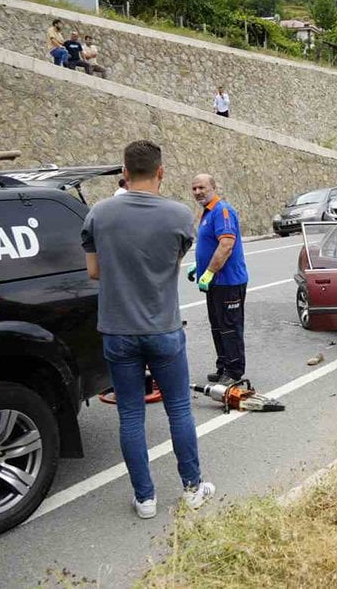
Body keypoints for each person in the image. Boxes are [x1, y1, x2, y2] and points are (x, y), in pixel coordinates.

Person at [81, 140, 216, 518]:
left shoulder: (99, 214)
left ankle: (144, 499)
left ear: (124, 172)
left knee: (130, 415)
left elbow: (94, 272)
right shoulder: (178, 215)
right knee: (178, 410)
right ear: (161, 172)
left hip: (117, 330)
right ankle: (191, 488)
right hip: (163, 328)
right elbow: (170, 262)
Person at [189, 174, 250, 385]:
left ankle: (234, 372)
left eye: (202, 188)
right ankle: (223, 365)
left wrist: (209, 272)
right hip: (216, 282)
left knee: (230, 327)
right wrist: (200, 266)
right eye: (194, 188)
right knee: (217, 326)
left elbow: (226, 245)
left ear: (213, 187)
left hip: (229, 282)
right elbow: (213, 244)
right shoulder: (207, 213)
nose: (197, 192)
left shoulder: (222, 211)